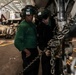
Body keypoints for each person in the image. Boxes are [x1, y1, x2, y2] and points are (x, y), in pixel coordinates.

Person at [14, 5, 39, 75]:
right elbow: (17, 42)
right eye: (28, 16)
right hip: (28, 51)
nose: (30, 17)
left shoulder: (32, 24)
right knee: (28, 71)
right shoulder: (23, 26)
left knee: (35, 69)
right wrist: (26, 51)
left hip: (34, 50)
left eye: (31, 15)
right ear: (24, 16)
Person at [37, 9, 56, 75]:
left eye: (45, 18)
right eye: (42, 20)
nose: (44, 21)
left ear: (49, 16)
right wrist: (44, 50)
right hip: (46, 52)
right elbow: (40, 40)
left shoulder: (56, 24)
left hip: (56, 52)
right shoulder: (40, 27)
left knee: (56, 70)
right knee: (46, 70)